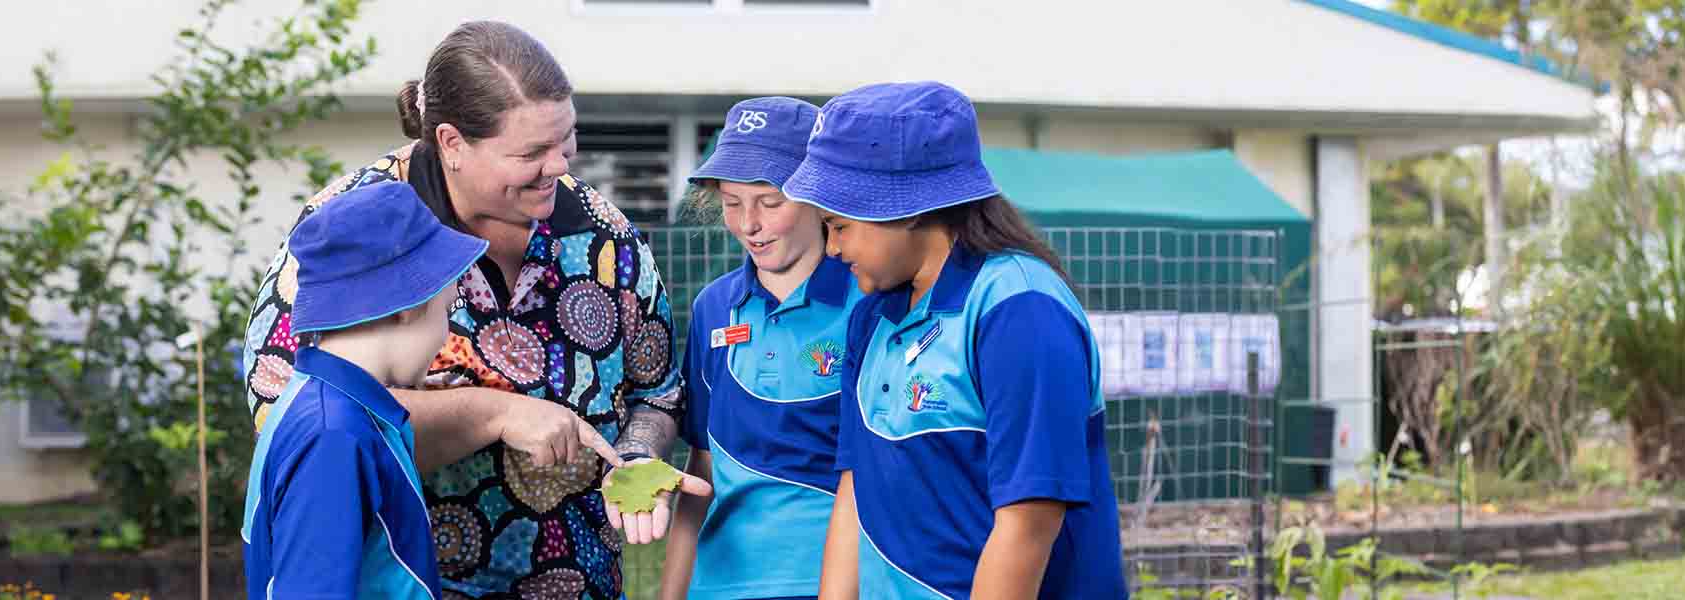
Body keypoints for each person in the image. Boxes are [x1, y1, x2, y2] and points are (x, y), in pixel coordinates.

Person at [239, 21, 696, 599]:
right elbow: (291, 407)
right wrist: (492, 414)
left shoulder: (605, 235)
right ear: (452, 143)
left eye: (568, 139)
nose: (559, 165)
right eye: (531, 152)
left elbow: (657, 391)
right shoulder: (360, 230)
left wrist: (633, 459)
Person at [795, 82, 1128, 600]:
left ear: (904, 207)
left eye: (839, 226)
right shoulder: (871, 319)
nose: (831, 248)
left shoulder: (1020, 309)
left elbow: (1030, 519)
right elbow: (855, 489)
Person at [629, 97, 857, 600]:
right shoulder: (714, 308)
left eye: (769, 202)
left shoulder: (869, 303)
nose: (748, 223)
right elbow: (703, 470)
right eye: (732, 203)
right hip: (720, 586)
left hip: (834, 583)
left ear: (818, 199)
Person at [242, 181, 486, 599]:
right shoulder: (334, 437)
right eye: (448, 310)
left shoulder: (331, 404)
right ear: (410, 306)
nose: (446, 335)